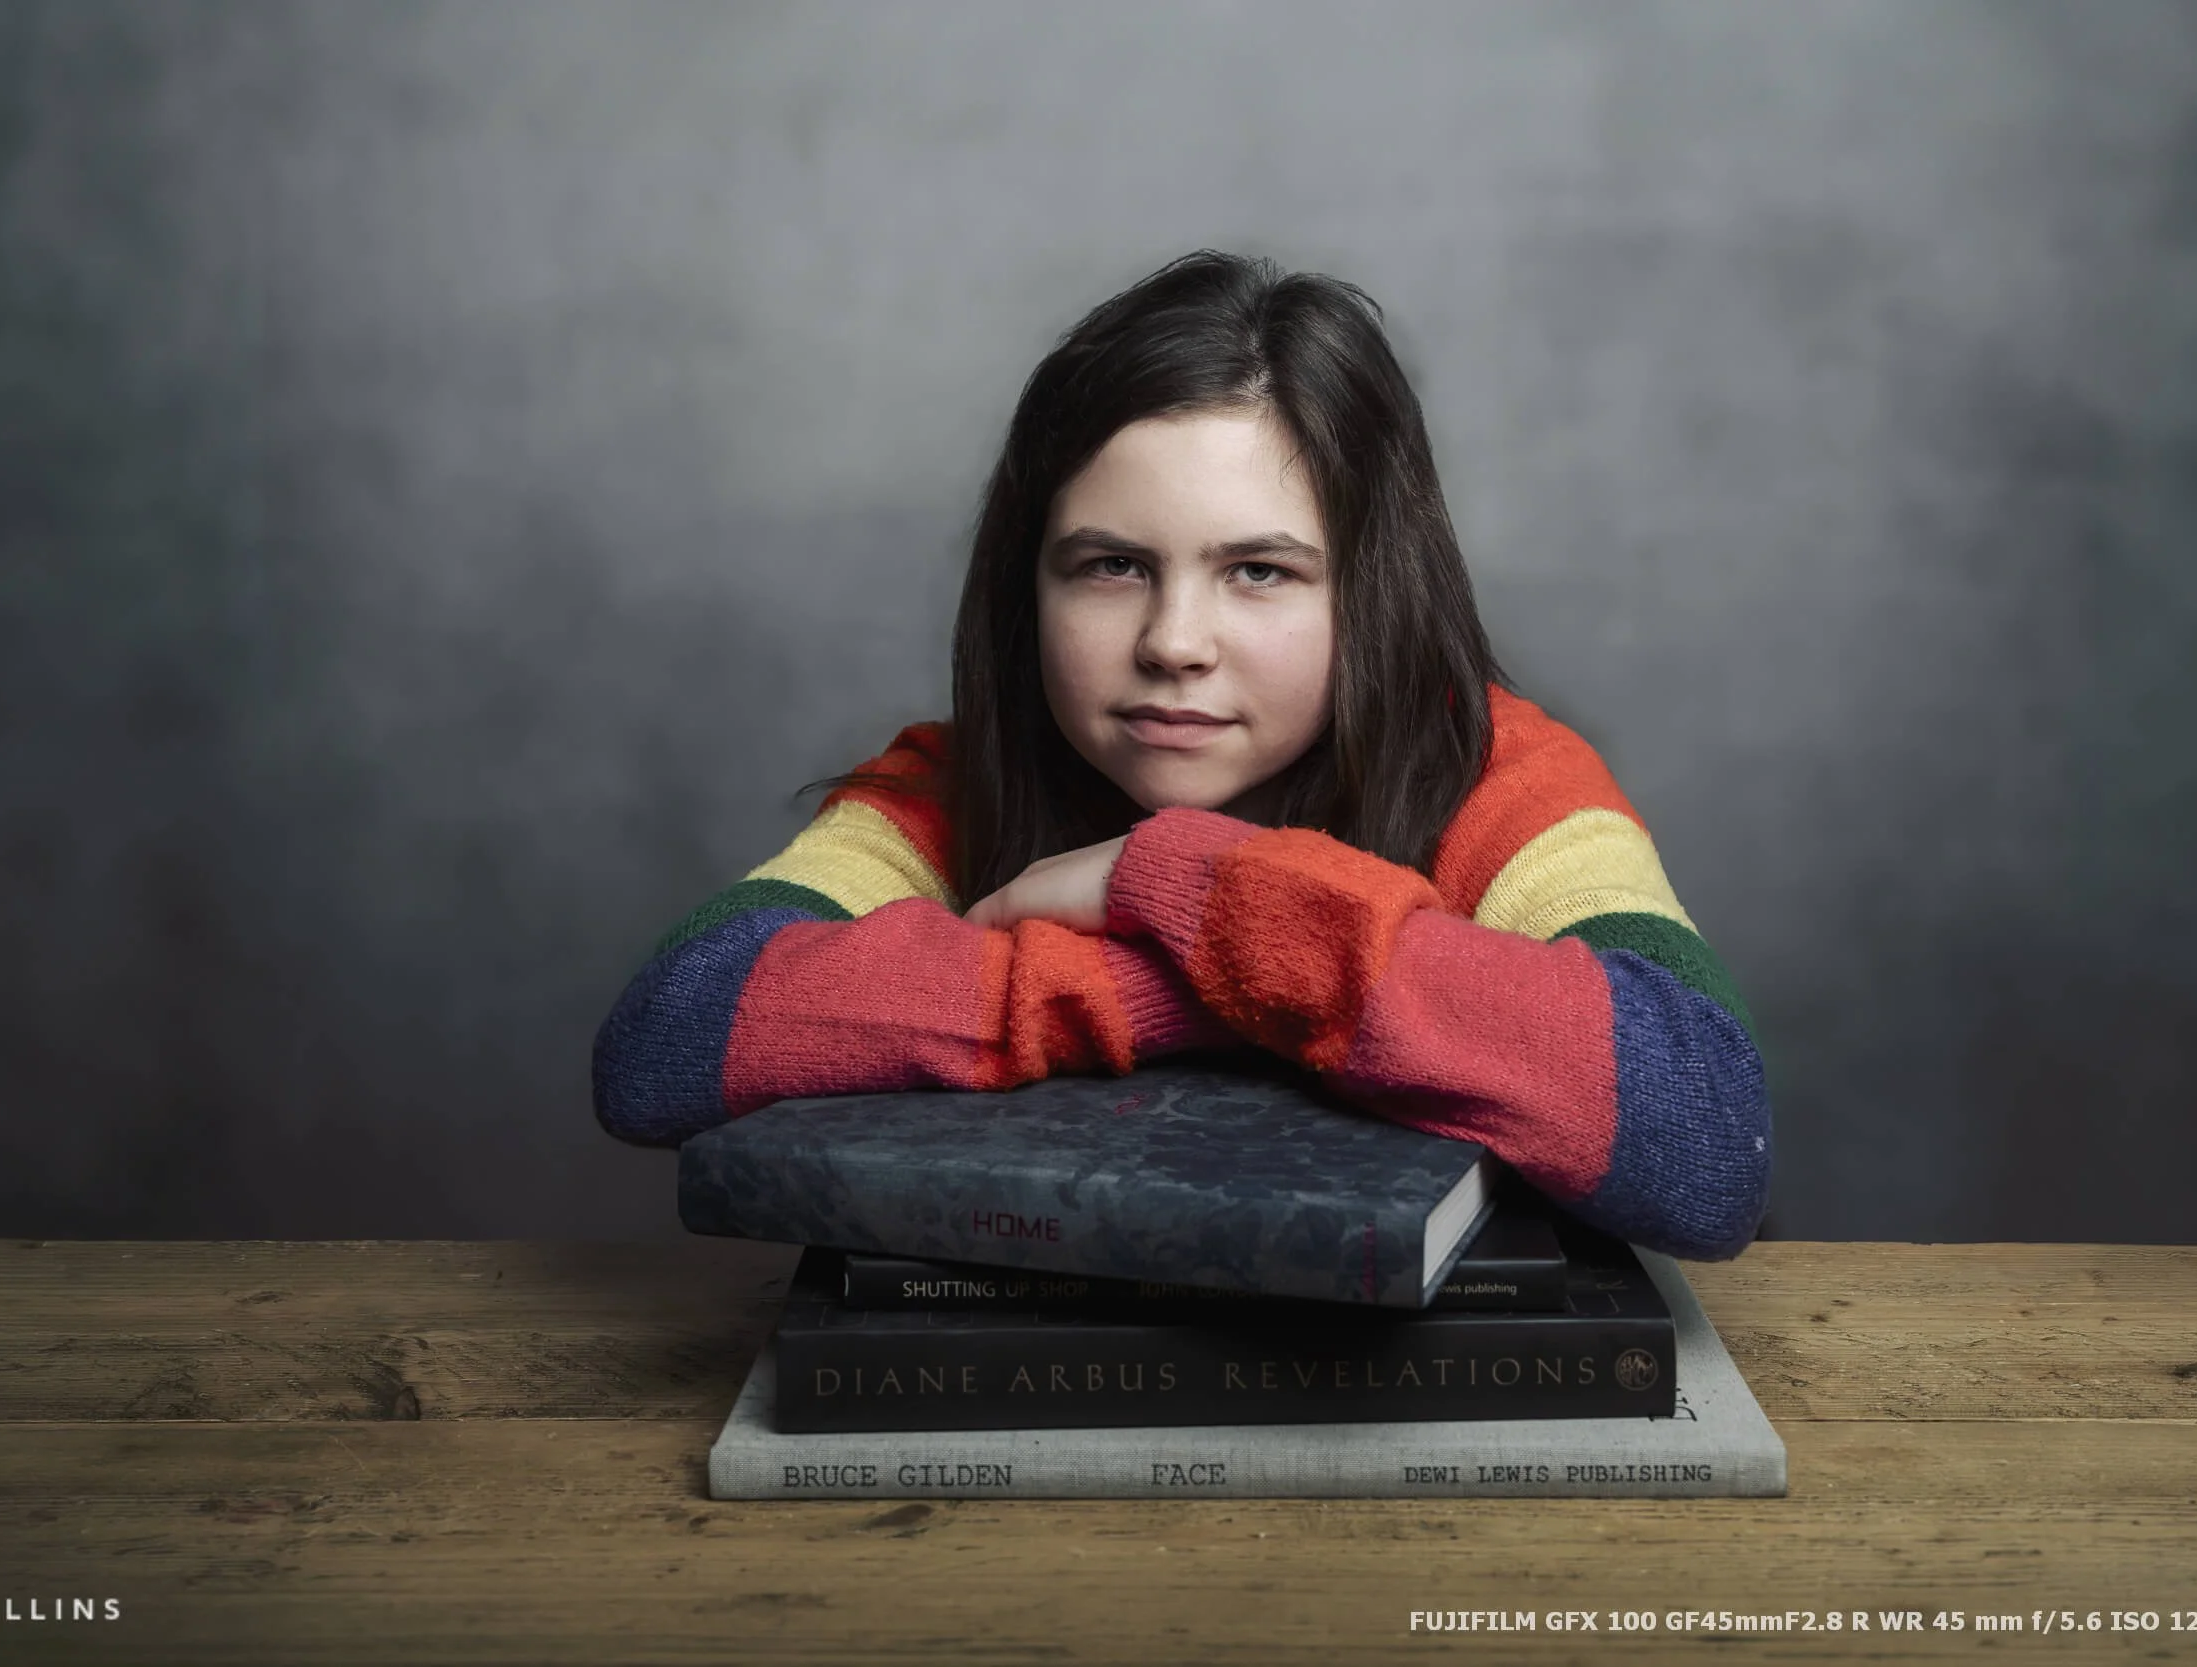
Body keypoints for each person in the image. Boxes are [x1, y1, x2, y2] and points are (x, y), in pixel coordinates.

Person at [591, 251, 1770, 1259]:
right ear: (1028, 583)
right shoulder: (945, 790)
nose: (1172, 643)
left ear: (1372, 591)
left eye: (1259, 571)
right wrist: (1160, 985)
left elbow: (1707, 1130)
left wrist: (1180, 885)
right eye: (1111, 566)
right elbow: (668, 1040)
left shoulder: (1502, 782)